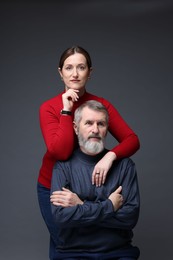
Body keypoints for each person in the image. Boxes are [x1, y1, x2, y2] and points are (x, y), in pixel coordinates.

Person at [37, 46, 140, 259]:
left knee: (95, 238)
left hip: (92, 179)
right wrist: (66, 110)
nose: (75, 74)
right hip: (56, 183)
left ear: (89, 72)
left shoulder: (101, 105)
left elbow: (132, 140)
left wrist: (110, 157)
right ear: (60, 72)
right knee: (66, 245)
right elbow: (61, 152)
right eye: (69, 67)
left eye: (81, 67)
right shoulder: (49, 107)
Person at [51, 100, 140, 260]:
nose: (95, 129)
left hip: (119, 252)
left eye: (101, 124)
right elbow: (61, 217)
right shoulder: (63, 167)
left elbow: (130, 218)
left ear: (107, 129)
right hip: (73, 253)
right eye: (89, 123)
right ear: (76, 128)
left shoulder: (124, 166)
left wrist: (82, 205)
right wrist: (110, 206)